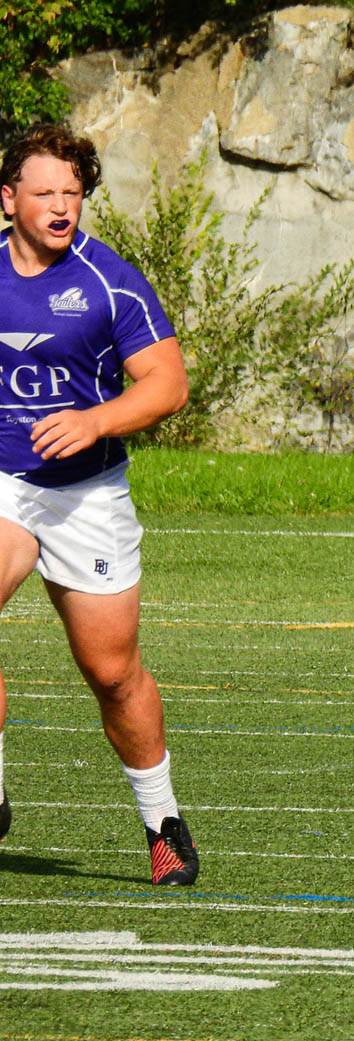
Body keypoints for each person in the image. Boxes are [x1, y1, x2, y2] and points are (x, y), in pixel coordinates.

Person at [0, 123, 195, 883]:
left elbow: (167, 385)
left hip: (85, 495)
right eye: (45, 192)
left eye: (72, 194)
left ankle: (163, 821)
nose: (60, 206)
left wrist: (94, 420)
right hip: (5, 482)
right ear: (8, 198)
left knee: (112, 673)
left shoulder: (110, 280)